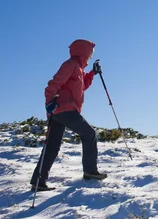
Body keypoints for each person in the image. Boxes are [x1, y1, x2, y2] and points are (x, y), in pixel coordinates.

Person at [30, 39, 107, 192]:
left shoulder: (78, 68)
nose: (92, 55)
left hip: (60, 110)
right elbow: (54, 83)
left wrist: (92, 73)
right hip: (62, 108)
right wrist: (49, 101)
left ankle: (38, 181)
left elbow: (82, 86)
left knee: (52, 146)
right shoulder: (70, 64)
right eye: (90, 51)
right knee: (89, 133)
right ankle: (90, 172)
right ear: (83, 51)